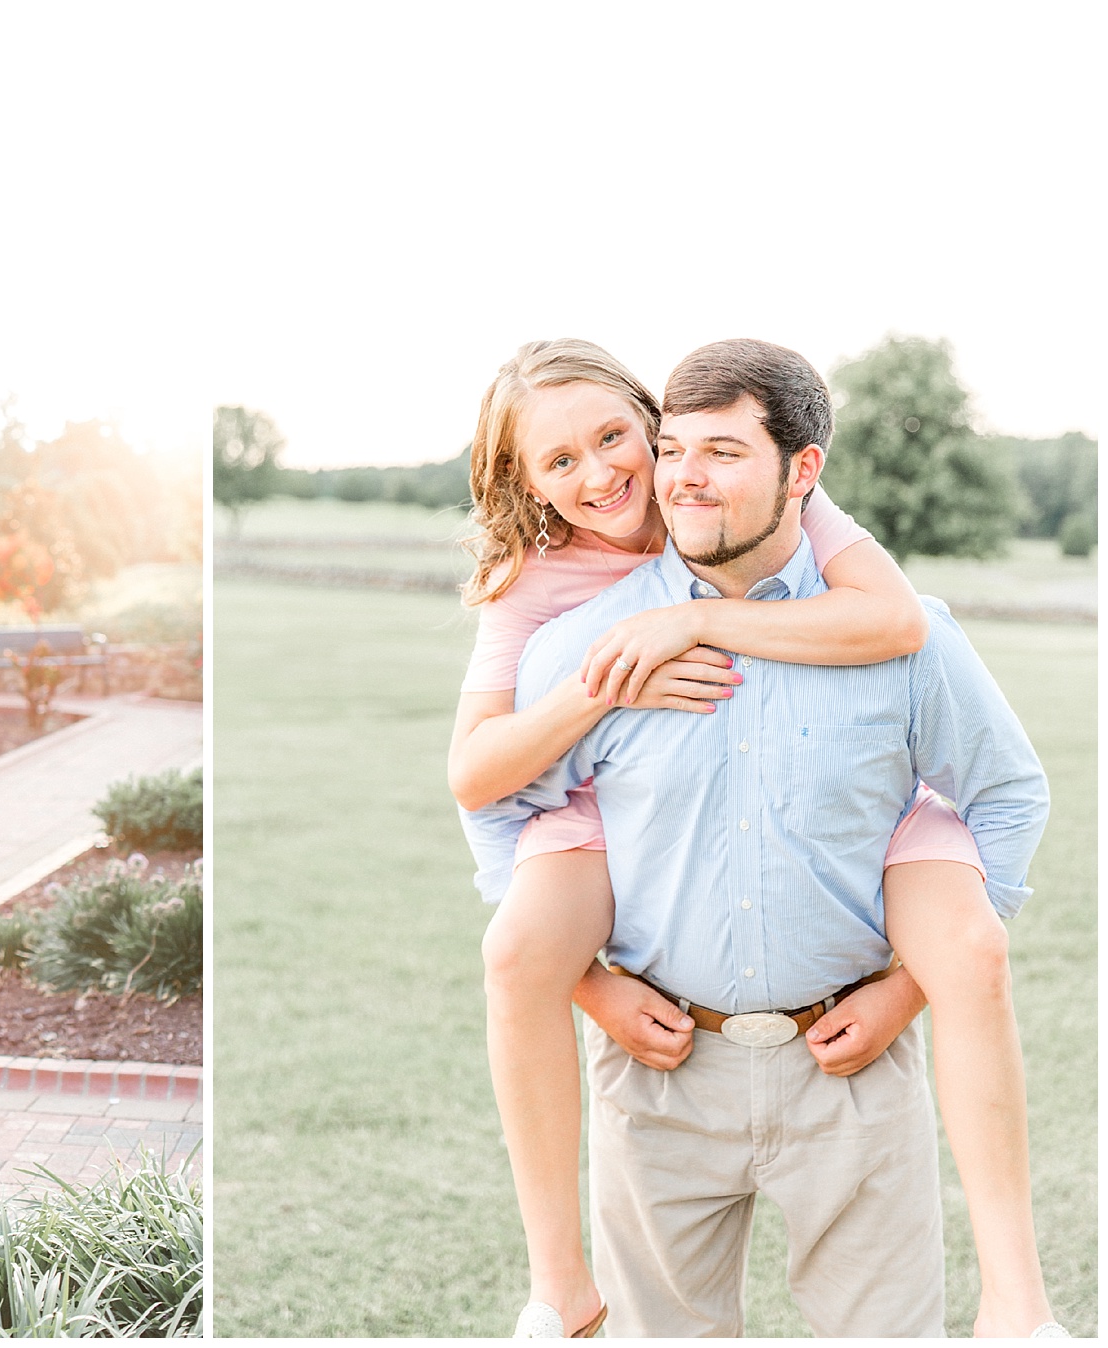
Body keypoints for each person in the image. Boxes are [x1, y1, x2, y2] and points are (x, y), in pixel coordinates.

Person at [449, 339, 1061, 1336]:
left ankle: (1020, 1304)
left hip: (852, 1082)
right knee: (515, 952)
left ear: (798, 471)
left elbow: (996, 778)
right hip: (660, 1080)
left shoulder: (884, 616)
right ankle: (557, 1286)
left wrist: (697, 628)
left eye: (624, 441)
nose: (631, 475)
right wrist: (587, 982)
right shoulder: (562, 626)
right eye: (677, 449)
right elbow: (485, 788)